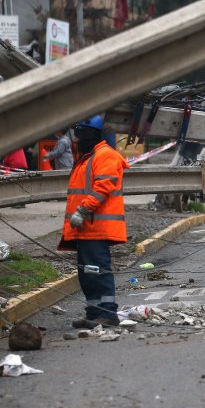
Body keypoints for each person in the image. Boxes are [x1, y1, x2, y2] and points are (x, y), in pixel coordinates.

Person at [57, 115, 129, 328]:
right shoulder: (89, 156)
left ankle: (107, 314)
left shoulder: (105, 155)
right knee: (88, 272)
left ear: (92, 133)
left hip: (96, 226)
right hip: (86, 228)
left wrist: (83, 209)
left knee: (97, 270)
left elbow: (103, 187)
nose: (77, 138)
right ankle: (93, 313)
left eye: (80, 133)